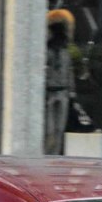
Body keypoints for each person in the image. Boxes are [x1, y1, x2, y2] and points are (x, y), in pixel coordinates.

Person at [44, 9, 75, 155]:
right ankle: (46, 154)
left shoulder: (65, 51)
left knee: (59, 129)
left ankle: (54, 155)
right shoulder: (48, 52)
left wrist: (71, 90)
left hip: (62, 91)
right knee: (49, 130)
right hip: (50, 91)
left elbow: (69, 71)